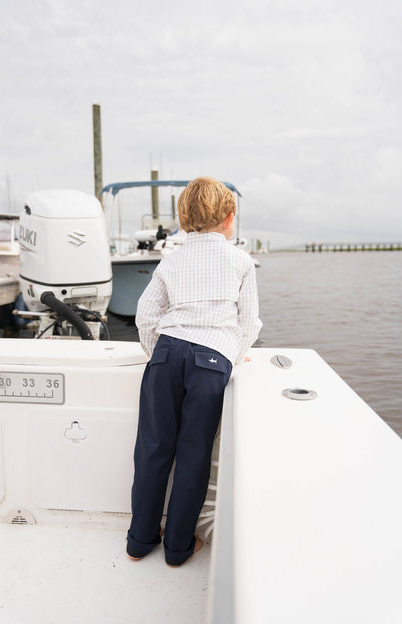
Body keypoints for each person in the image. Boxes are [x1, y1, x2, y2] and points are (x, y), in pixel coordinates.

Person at [127, 177, 262, 566]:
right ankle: (178, 548)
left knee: (153, 449)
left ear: (184, 217)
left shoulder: (171, 259)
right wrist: (231, 357)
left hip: (167, 354)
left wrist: (160, 353)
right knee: (193, 454)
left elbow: (146, 315)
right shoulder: (240, 260)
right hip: (212, 362)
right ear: (229, 218)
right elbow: (249, 323)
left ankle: (139, 542)